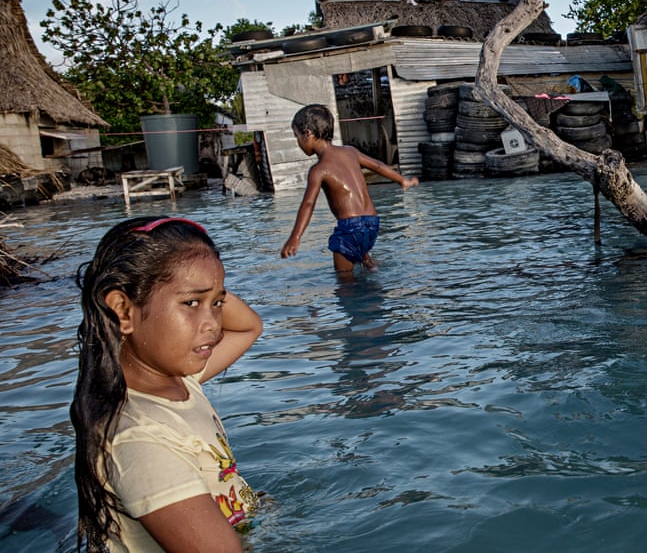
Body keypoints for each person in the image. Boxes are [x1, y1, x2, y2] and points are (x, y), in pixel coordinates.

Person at [72, 216, 264, 552]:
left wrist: (205, 283)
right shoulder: (141, 441)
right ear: (123, 310)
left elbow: (248, 328)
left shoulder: (181, 382)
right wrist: (207, 286)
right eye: (191, 303)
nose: (214, 326)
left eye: (217, 304)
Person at [281, 104, 419, 274]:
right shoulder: (350, 151)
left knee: (345, 283)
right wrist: (402, 181)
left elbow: (309, 204)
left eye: (297, 136)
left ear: (308, 134)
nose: (298, 143)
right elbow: (378, 165)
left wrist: (295, 237)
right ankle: (370, 264)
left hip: (350, 228)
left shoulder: (319, 170)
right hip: (372, 223)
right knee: (362, 253)